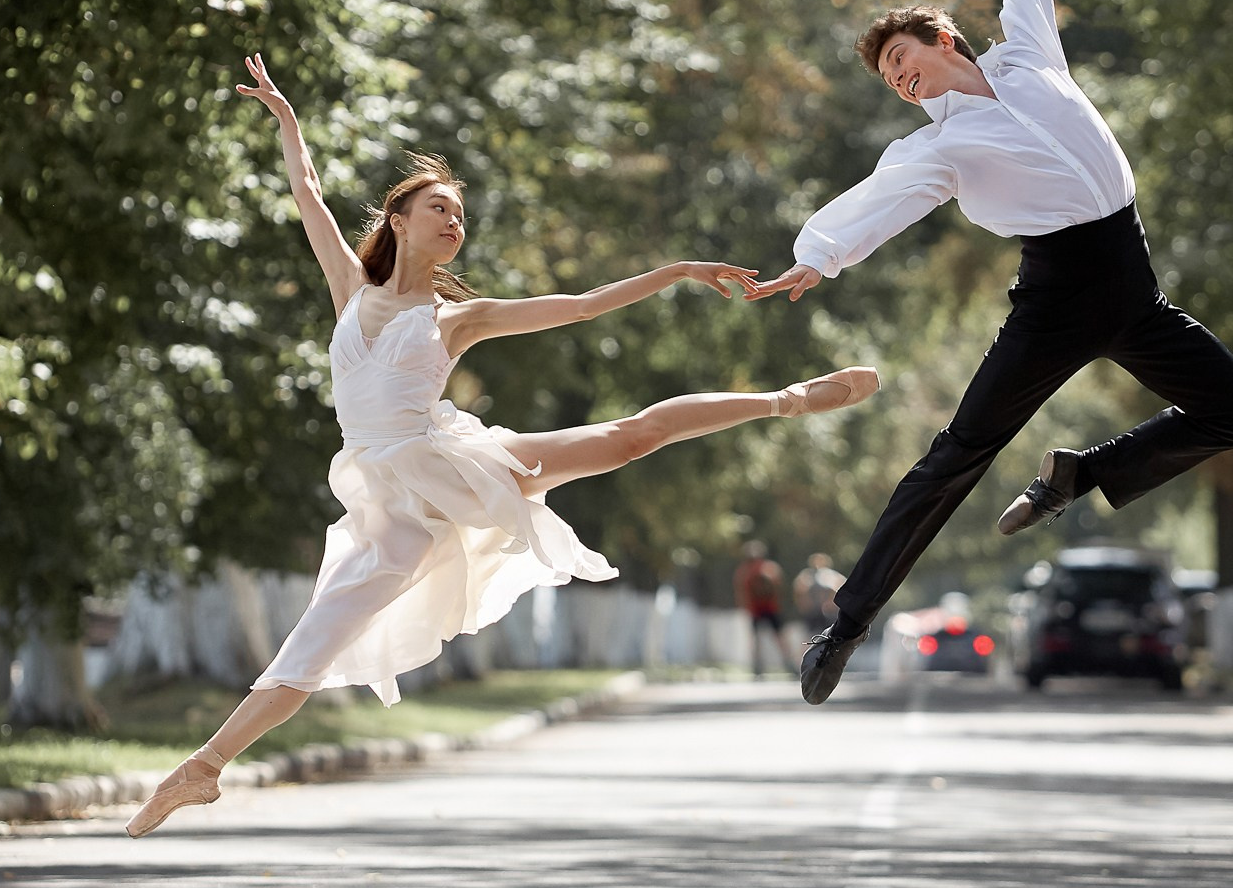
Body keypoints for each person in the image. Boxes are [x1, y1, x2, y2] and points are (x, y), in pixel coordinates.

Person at [128, 54, 880, 836]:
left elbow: (584, 305)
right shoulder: (350, 289)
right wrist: (288, 124)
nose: (454, 222)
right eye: (440, 208)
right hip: (385, 495)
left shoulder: (460, 317)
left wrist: (676, 270)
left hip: (445, 460)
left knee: (625, 440)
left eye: (460, 214)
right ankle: (205, 767)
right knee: (316, 639)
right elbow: (308, 192)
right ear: (399, 219)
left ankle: (783, 399)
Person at [751, 0, 1233, 705]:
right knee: (958, 453)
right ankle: (847, 623)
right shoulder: (940, 148)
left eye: (902, 60)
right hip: (1058, 296)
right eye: (888, 78)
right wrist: (817, 255)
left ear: (943, 39)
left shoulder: (1028, 56)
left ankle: (1082, 474)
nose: (900, 80)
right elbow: (881, 194)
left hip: (1133, 283)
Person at [734, 541, 787, 677]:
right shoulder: (770, 567)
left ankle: (759, 667)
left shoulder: (744, 570)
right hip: (767, 608)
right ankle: (763, 665)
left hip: (760, 608)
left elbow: (741, 591)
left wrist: (745, 607)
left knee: (760, 638)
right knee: (775, 637)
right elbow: (778, 585)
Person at [793, 552, 843, 634]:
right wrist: (803, 604)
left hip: (827, 612)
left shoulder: (831, 575)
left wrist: (832, 603)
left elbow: (838, 588)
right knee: (811, 634)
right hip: (813, 611)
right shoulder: (807, 575)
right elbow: (799, 589)